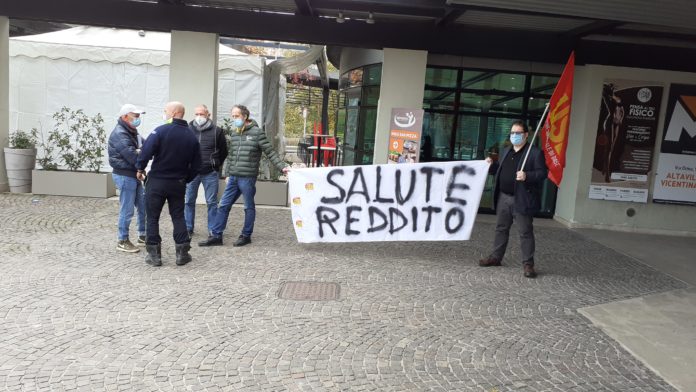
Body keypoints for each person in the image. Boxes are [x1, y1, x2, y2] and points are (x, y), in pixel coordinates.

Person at [198, 104, 289, 248]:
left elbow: (270, 152)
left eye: (237, 116)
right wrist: (227, 173)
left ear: (245, 116)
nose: (234, 119)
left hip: (247, 177)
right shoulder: (235, 133)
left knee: (248, 206)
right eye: (233, 116)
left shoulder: (257, 133)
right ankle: (216, 235)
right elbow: (231, 155)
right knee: (223, 205)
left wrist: (282, 167)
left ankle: (246, 235)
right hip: (233, 177)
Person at [136, 102, 201, 267]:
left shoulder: (160, 131)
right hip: (178, 183)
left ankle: (154, 255)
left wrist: (140, 168)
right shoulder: (191, 136)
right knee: (178, 216)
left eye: (165, 111)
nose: (164, 114)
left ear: (173, 112)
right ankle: (182, 253)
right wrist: (185, 179)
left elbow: (146, 152)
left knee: (152, 217)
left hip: (157, 181)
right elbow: (197, 165)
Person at [479, 120, 548, 278]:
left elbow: (542, 174)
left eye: (518, 133)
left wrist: (527, 175)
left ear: (525, 135)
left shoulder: (534, 153)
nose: (514, 136)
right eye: (512, 133)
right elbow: (499, 170)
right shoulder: (505, 151)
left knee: (525, 232)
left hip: (521, 199)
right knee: (501, 229)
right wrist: (490, 165)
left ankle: (528, 264)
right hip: (504, 197)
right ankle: (496, 257)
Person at [108, 103, 147, 253]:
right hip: (125, 175)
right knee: (127, 209)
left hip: (133, 174)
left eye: (138, 116)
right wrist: (140, 153)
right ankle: (122, 240)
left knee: (143, 206)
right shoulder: (120, 133)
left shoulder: (132, 131)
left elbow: (146, 146)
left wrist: (141, 150)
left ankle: (142, 236)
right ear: (125, 117)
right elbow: (132, 156)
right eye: (135, 116)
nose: (138, 119)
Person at [184, 104, 228, 238]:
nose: (199, 117)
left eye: (201, 114)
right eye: (196, 114)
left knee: (212, 202)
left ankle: (212, 230)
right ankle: (188, 228)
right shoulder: (187, 129)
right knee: (189, 201)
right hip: (192, 172)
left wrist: (215, 164)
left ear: (208, 115)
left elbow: (224, 151)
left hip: (210, 172)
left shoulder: (217, 131)